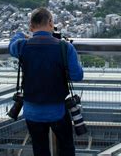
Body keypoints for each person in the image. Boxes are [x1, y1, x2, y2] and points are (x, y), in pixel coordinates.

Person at [9, 8, 83, 156]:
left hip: (31, 110)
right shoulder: (64, 47)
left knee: (40, 149)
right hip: (57, 110)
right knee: (67, 147)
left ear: (31, 26)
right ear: (50, 23)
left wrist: (21, 35)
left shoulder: (22, 46)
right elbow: (77, 75)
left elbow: (12, 45)